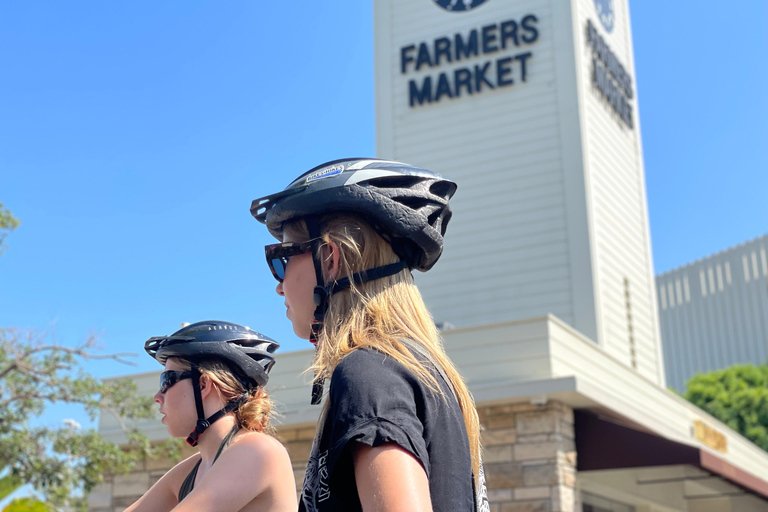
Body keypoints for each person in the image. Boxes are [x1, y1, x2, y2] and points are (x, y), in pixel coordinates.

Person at [251, 158, 489, 512]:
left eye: (281, 260)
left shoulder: (370, 374)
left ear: (330, 257)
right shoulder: (421, 373)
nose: (280, 287)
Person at [125, 320, 297, 512]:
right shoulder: (193, 469)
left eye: (166, 381)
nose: (157, 397)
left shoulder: (257, 451)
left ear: (203, 385)